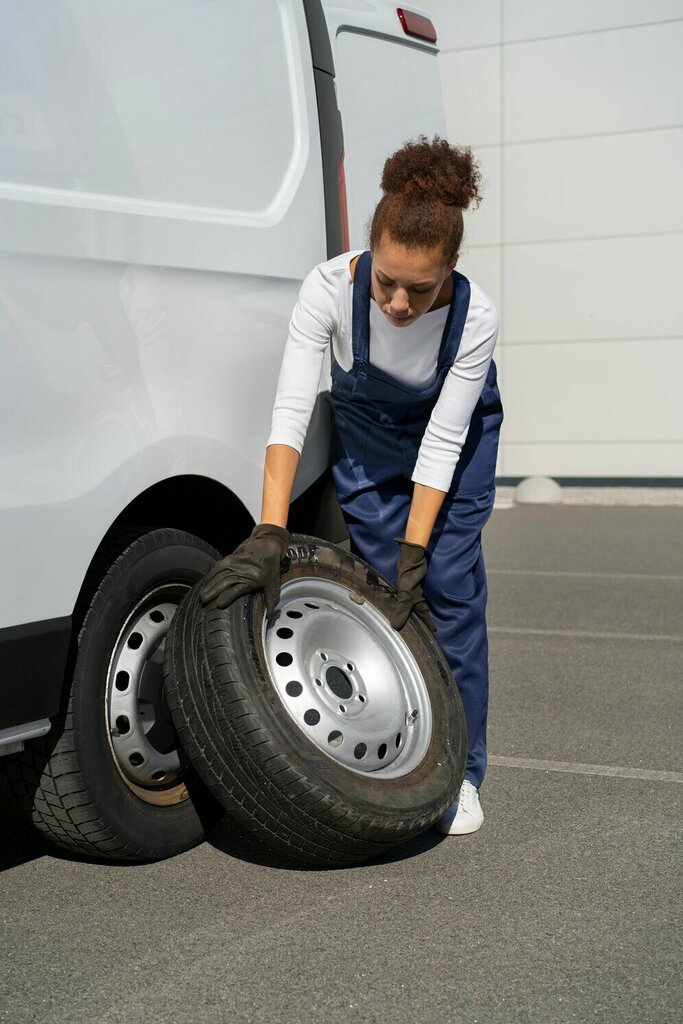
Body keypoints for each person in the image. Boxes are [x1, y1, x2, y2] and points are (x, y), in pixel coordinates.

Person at [199, 135, 503, 835]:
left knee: (444, 594)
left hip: (452, 451)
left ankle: (461, 773)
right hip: (367, 437)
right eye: (385, 281)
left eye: (419, 289)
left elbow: (443, 440)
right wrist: (269, 527)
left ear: (450, 271)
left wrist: (417, 550)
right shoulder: (327, 289)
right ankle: (399, 753)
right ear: (366, 254)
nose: (397, 303)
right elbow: (292, 407)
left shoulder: (475, 317)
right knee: (379, 592)